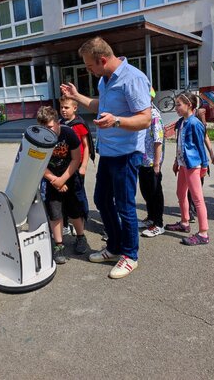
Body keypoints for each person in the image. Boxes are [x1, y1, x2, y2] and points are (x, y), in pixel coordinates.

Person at [61, 36, 151, 279]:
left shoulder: (133, 78)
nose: (89, 70)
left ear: (102, 60)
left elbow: (145, 118)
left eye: (90, 66)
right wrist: (77, 96)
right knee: (101, 200)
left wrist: (117, 120)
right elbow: (100, 105)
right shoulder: (105, 79)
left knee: (125, 206)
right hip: (108, 153)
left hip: (126, 154)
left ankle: (130, 256)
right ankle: (114, 247)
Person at [37, 106, 88, 264]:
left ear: (57, 123)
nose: (48, 131)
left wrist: (63, 179)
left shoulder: (68, 133)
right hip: (51, 179)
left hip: (70, 177)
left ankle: (80, 237)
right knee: (55, 213)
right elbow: (38, 163)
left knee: (74, 211)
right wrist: (54, 180)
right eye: (43, 128)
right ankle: (59, 245)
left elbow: (76, 159)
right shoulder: (38, 137)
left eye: (50, 127)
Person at [165, 92, 210, 245]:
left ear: (189, 105)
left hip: (193, 165)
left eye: (178, 105)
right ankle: (184, 223)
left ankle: (203, 233)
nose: (176, 108)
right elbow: (180, 145)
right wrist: (176, 161)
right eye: (176, 104)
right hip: (183, 164)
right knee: (180, 193)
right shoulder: (181, 122)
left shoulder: (194, 123)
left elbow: (200, 146)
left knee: (197, 199)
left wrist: (204, 165)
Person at [59, 96, 94, 235]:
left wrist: (84, 166)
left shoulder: (79, 124)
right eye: (61, 107)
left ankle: (82, 220)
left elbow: (86, 147)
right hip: (64, 166)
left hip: (77, 166)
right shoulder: (60, 123)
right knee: (64, 195)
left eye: (66, 107)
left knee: (78, 195)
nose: (63, 110)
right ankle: (66, 223)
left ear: (75, 108)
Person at [138, 87, 165, 237]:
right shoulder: (143, 115)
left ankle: (158, 224)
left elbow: (158, 140)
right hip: (142, 161)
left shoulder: (154, 115)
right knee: (146, 191)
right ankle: (150, 218)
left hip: (151, 162)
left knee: (155, 193)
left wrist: (156, 163)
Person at [187, 107, 214, 223]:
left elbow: (205, 136)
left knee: (199, 185)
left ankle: (193, 207)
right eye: (202, 113)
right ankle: (189, 209)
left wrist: (211, 153)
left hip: (200, 159)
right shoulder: (189, 122)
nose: (203, 115)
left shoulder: (200, 124)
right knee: (190, 187)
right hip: (191, 160)